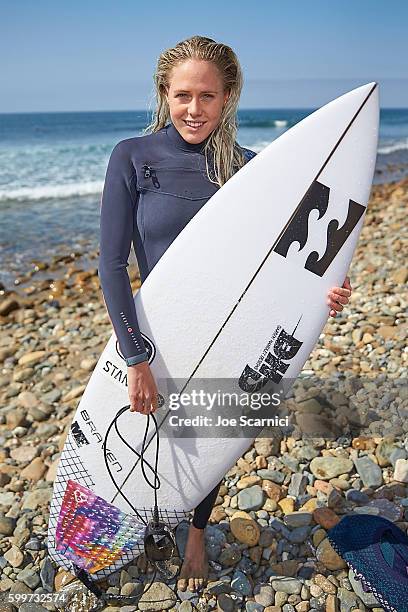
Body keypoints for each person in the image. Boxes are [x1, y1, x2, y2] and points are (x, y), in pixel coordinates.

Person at [98, 35, 352, 592]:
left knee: (214, 431)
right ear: (165, 94)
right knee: (148, 435)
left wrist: (326, 292)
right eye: (182, 95)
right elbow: (112, 266)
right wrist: (135, 353)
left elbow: (289, 258)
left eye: (207, 96)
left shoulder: (250, 169)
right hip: (159, 326)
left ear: (228, 97)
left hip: (234, 322)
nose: (194, 109)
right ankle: (136, 519)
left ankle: (194, 531)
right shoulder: (132, 156)